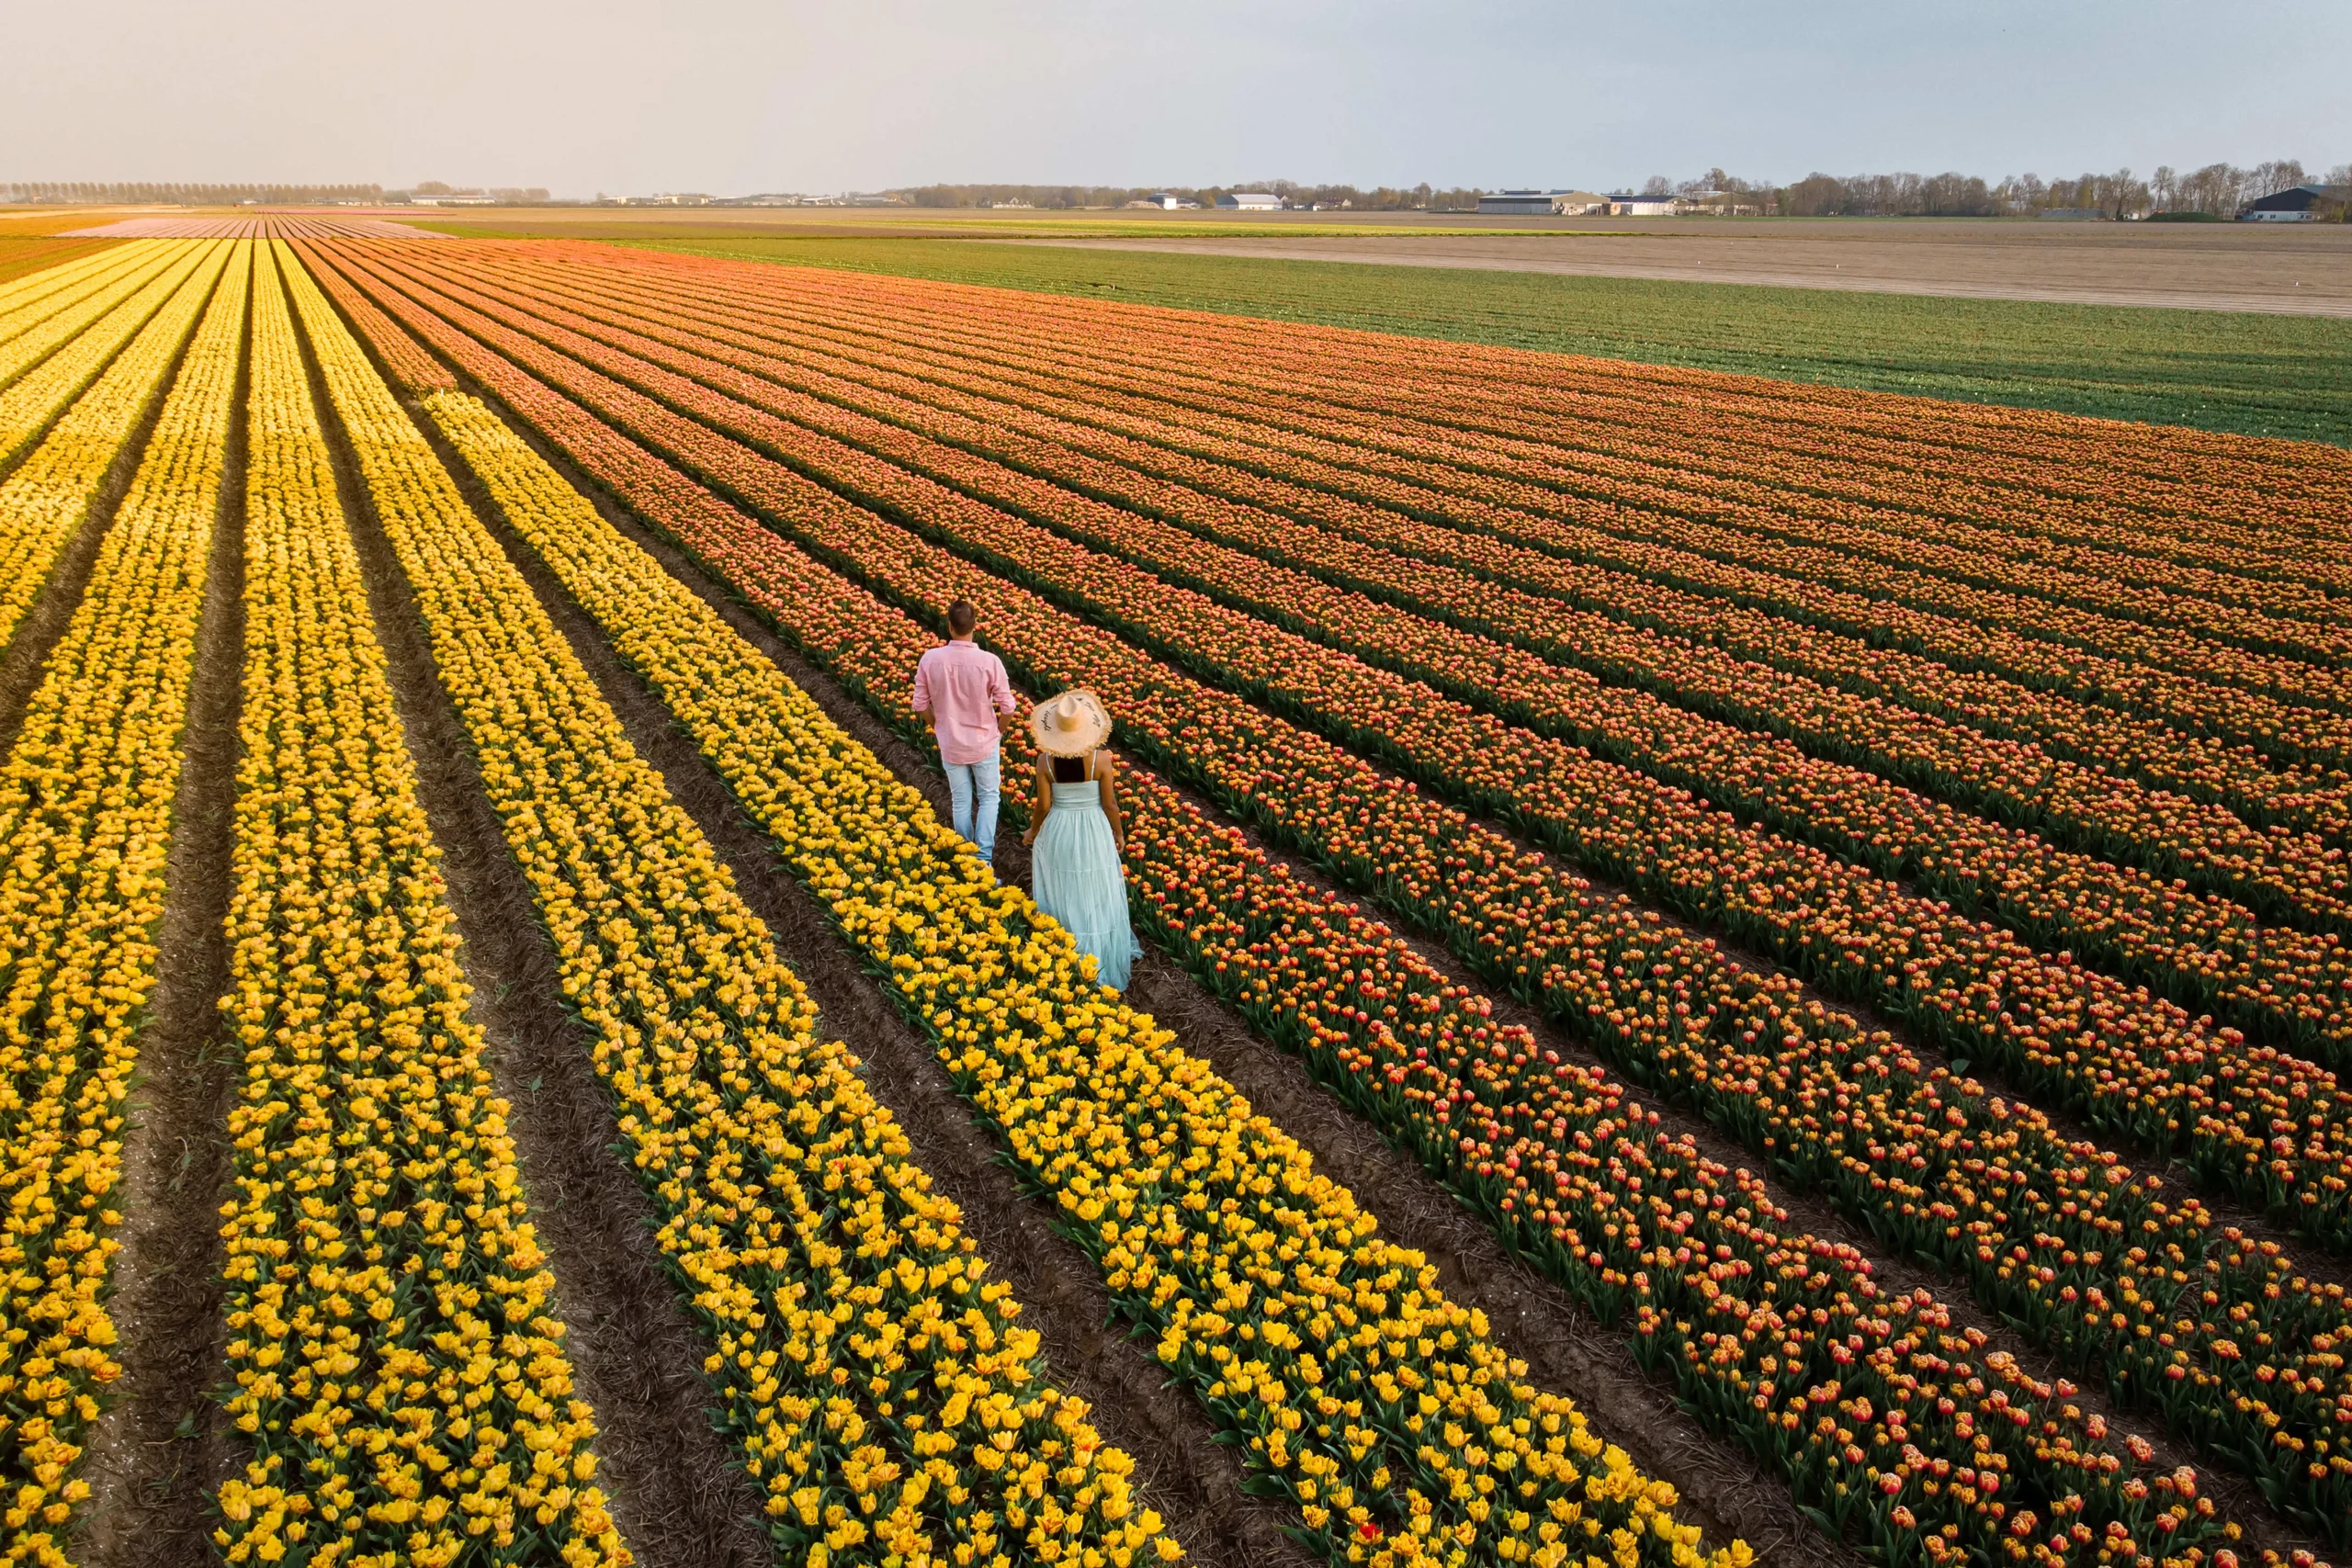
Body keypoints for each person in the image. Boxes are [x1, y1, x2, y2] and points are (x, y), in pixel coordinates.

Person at [1020, 688, 1138, 993]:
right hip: (1092, 828)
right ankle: (1097, 953)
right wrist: (1118, 832)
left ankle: (1068, 955)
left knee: (1065, 889)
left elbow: (1043, 806)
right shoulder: (1101, 760)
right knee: (1096, 888)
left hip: (1060, 828)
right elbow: (1110, 804)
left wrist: (1033, 832)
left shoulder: (1045, 763)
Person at [910, 599, 1015, 866]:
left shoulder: (931, 659)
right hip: (984, 742)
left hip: (951, 743)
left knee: (961, 799)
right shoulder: (989, 661)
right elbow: (1008, 707)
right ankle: (983, 859)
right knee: (989, 797)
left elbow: (919, 704)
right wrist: (998, 732)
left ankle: (965, 858)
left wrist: (938, 726)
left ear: (949, 626)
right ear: (975, 626)